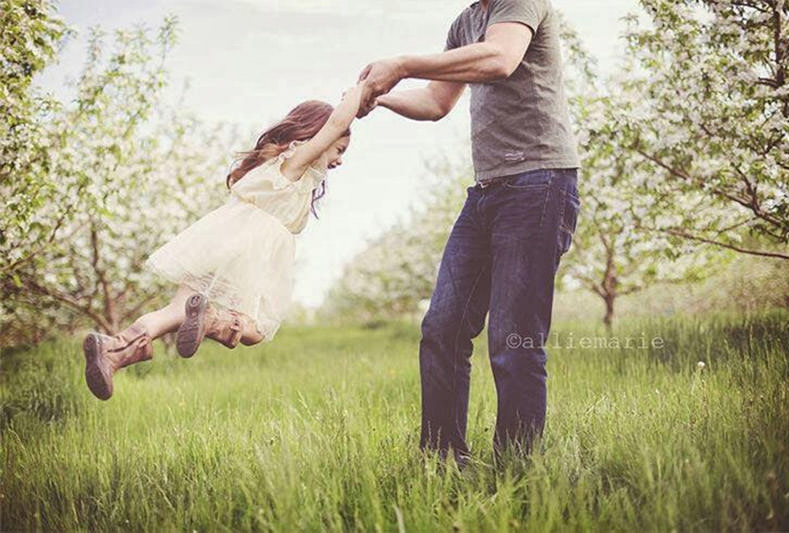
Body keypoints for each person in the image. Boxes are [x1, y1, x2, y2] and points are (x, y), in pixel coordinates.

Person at [357, 0, 581, 465]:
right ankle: (443, 461)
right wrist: (376, 98)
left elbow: (500, 59)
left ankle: (516, 470)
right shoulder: (465, 22)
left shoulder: (521, 2)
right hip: (486, 192)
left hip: (539, 183)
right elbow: (437, 102)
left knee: (513, 338)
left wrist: (400, 64)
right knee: (442, 328)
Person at [82, 83, 365, 401]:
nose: (339, 161)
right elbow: (338, 124)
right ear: (317, 136)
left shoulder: (273, 164)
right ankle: (212, 320)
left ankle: (114, 350)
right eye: (339, 150)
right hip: (254, 249)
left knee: (176, 310)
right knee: (255, 330)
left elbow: (334, 130)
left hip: (221, 237)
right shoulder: (299, 162)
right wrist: (363, 93)